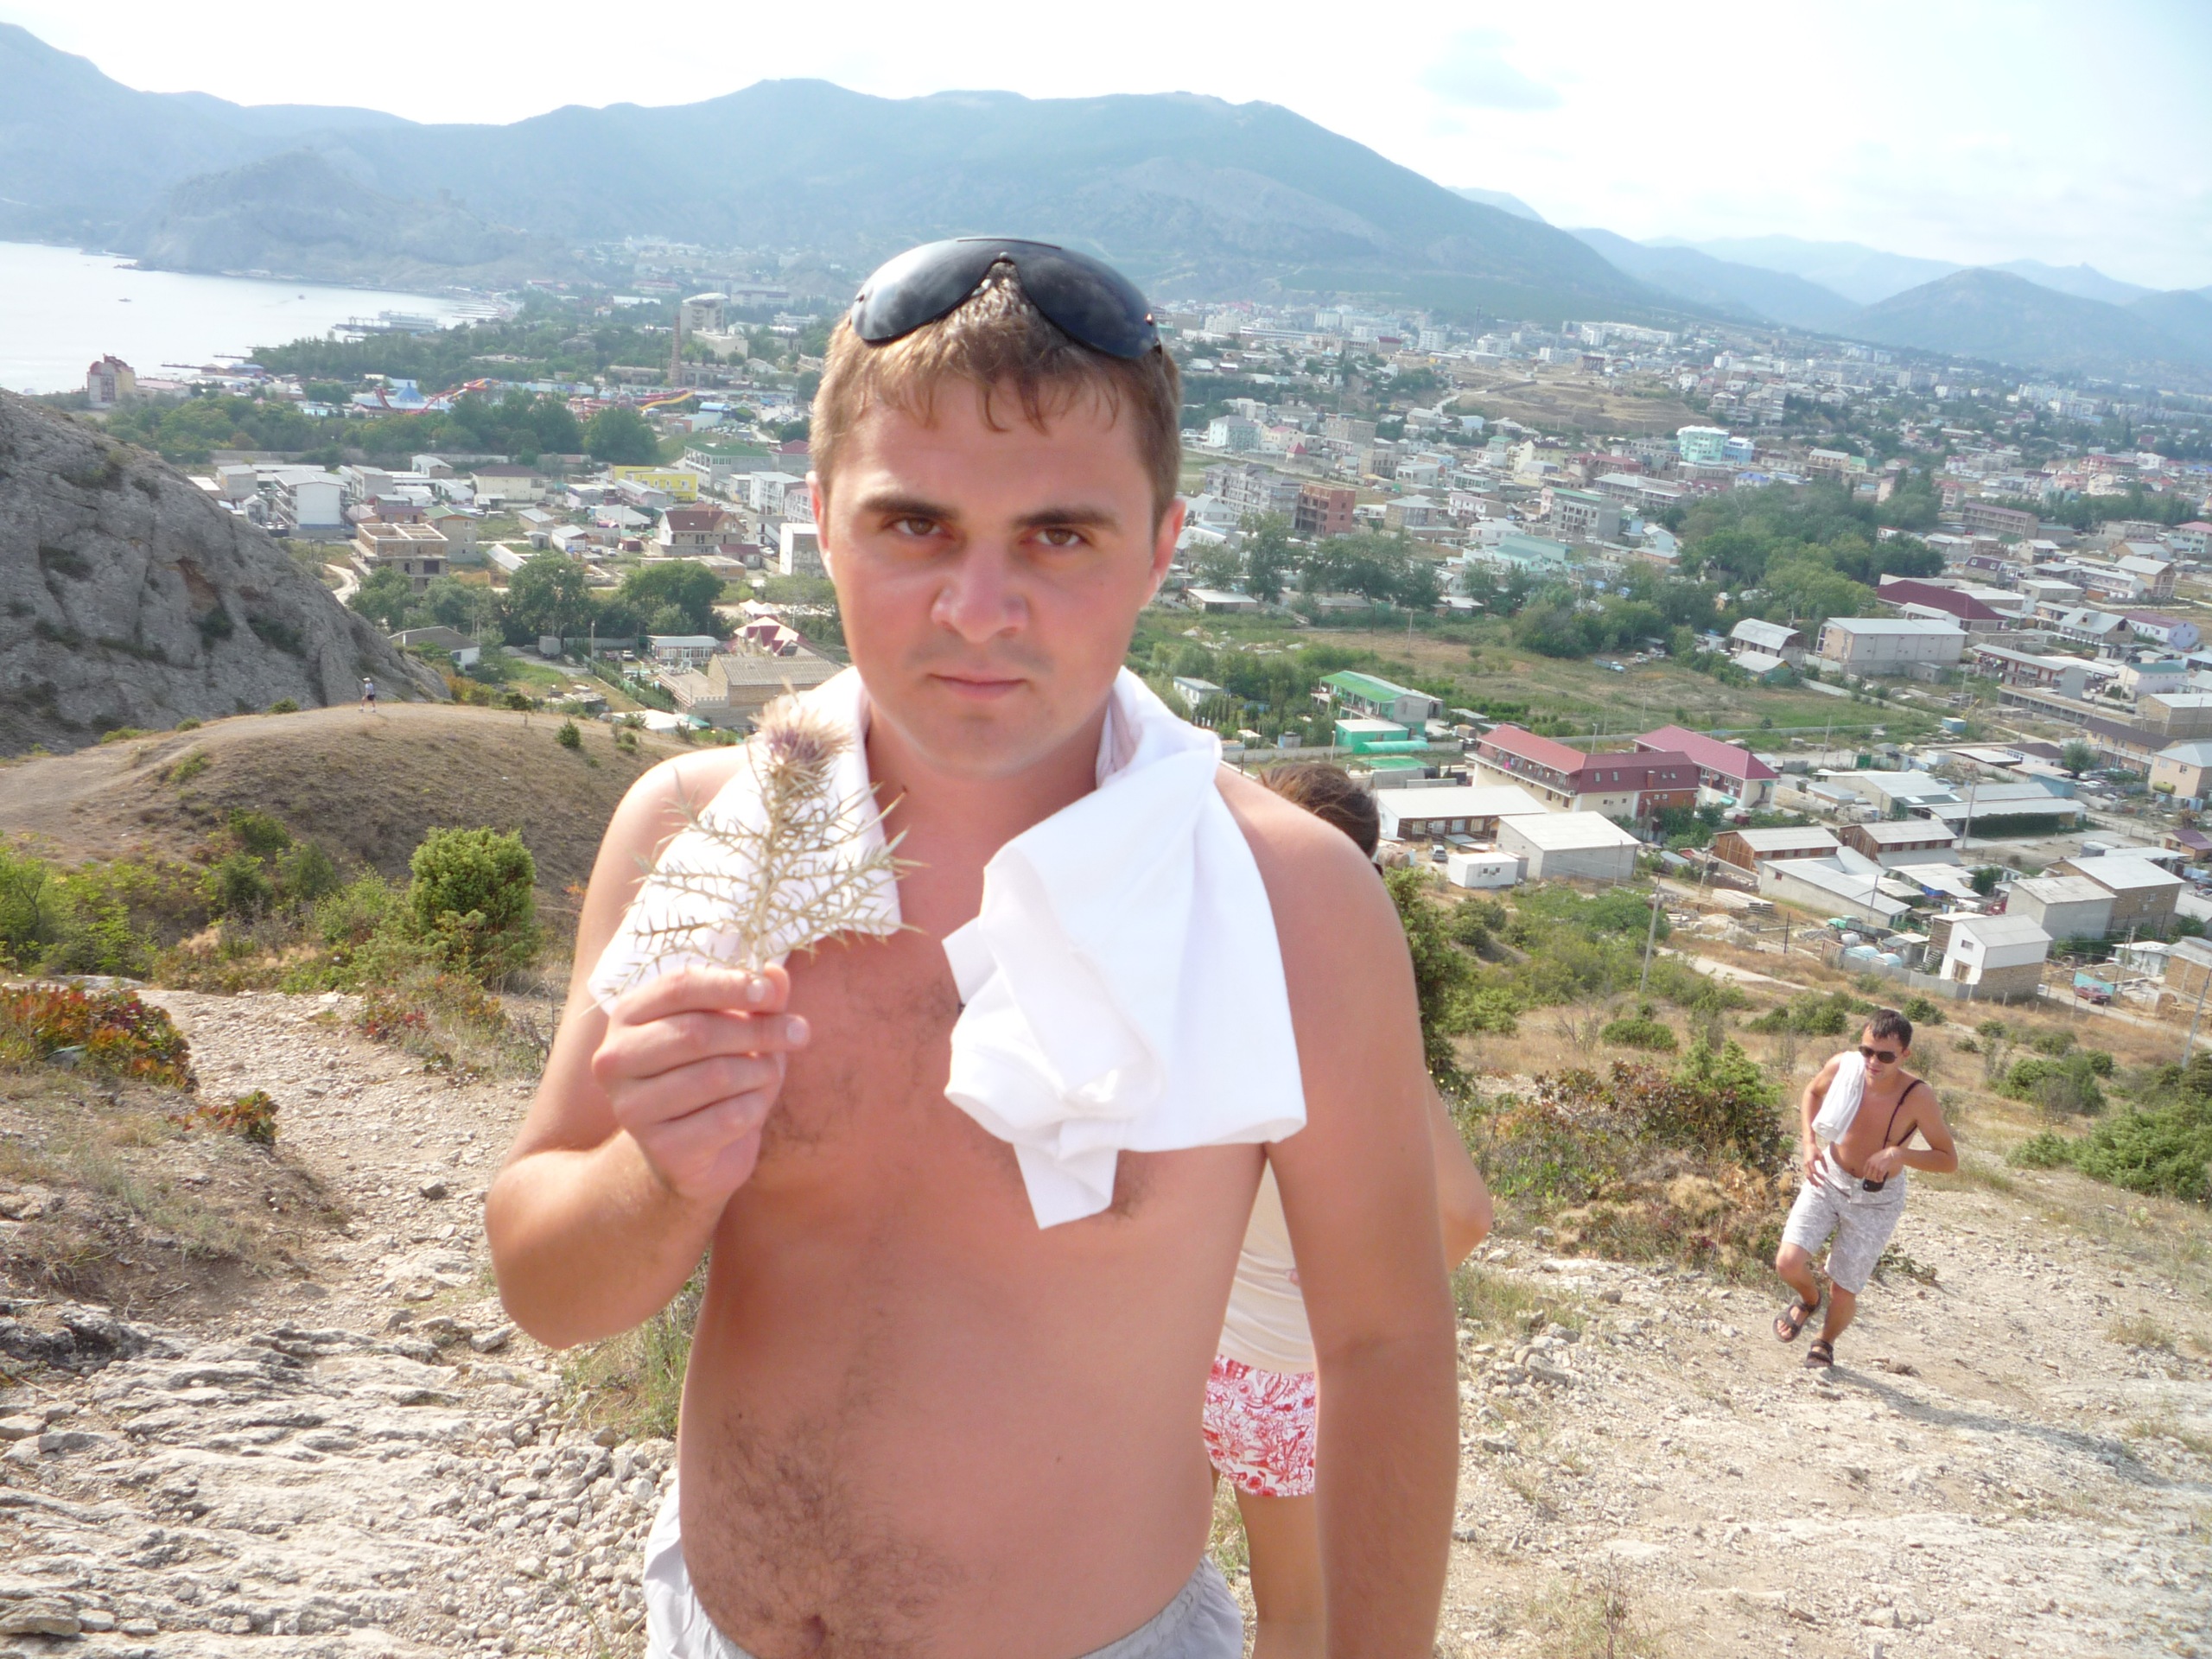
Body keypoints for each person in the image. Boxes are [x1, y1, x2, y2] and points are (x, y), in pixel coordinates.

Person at [487, 239, 1457, 1659]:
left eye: (1059, 537)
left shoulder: (1286, 902)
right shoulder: (699, 841)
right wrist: (657, 1178)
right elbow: (546, 1291)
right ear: (822, 521)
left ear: (1160, 548)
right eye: (915, 526)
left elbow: (1384, 1344)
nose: (980, 610)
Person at [1208, 763, 1491, 1659]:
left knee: (1148, 1592)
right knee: (1295, 1617)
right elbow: (1464, 1212)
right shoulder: (1353, 1022)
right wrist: (1346, 1288)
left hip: (1175, 1347)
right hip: (1281, 1371)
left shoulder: (1189, 979)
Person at [1773, 1007, 1957, 1369]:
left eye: (1885, 1056)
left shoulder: (1918, 1097)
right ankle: (1809, 1299)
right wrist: (1809, 1143)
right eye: (1867, 1051)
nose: (1873, 1062)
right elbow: (1812, 1092)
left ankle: (1824, 1342)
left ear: (1905, 1055)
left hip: (1877, 1199)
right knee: (1787, 1263)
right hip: (1829, 1177)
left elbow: (1948, 1160)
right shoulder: (1844, 1067)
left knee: (1844, 1288)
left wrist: (1898, 1154)